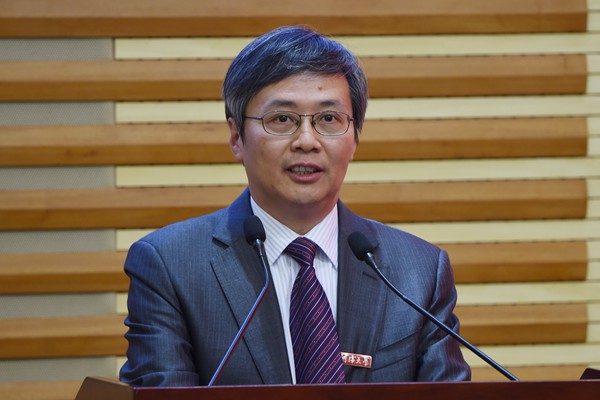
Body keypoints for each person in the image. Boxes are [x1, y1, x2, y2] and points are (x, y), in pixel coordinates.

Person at [119, 25, 471, 386]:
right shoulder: (169, 266)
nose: (307, 141)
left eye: (329, 119)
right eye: (282, 119)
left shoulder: (418, 273)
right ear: (236, 137)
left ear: (354, 138)